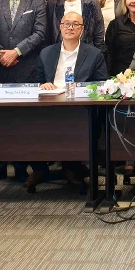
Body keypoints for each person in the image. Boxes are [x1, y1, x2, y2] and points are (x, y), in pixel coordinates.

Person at [35, 10, 108, 193]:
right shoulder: (46, 53)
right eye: (66, 23)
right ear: (60, 27)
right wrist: (43, 85)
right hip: (50, 106)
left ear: (82, 29)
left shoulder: (94, 54)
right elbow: (37, 81)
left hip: (81, 109)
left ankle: (72, 168)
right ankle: (42, 169)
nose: (70, 27)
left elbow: (102, 84)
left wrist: (81, 88)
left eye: (75, 24)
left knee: (75, 126)